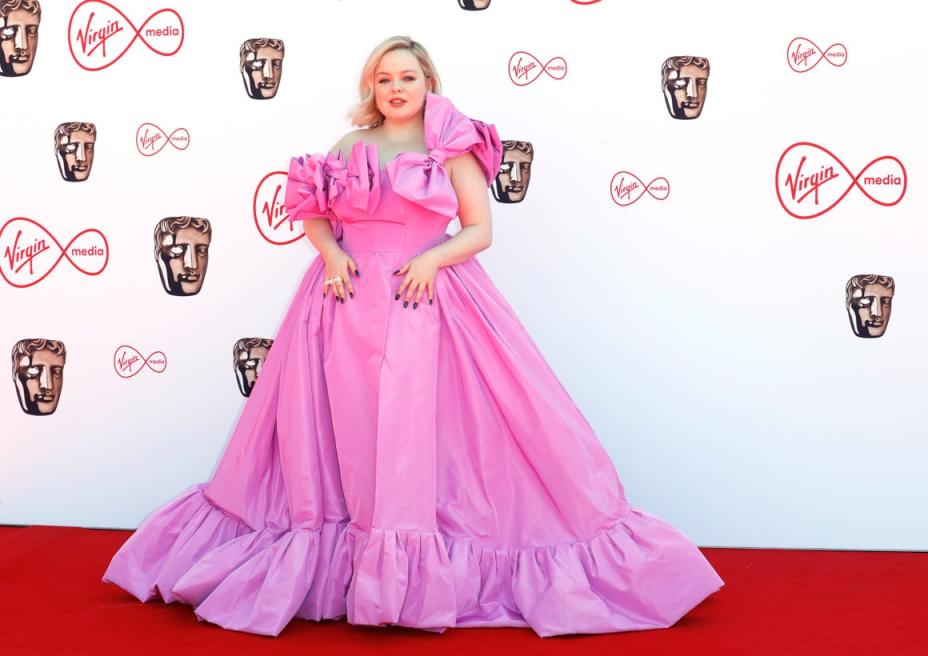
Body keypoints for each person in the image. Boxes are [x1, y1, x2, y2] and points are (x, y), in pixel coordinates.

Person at [102, 35, 724, 638]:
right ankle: (350, 573)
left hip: (424, 303)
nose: (395, 87)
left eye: (407, 77)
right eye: (384, 77)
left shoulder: (448, 144)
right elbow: (316, 216)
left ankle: (415, 578)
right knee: (344, 433)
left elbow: (479, 229)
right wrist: (332, 254)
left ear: (429, 83)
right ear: (370, 86)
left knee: (421, 436)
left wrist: (430, 261)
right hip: (341, 307)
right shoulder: (350, 142)